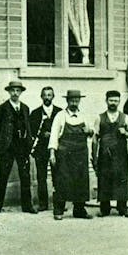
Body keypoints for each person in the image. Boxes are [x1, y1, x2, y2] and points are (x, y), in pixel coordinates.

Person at [48, 90, 96, 220]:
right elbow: (53, 135)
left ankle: (79, 209)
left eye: (76, 100)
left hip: (81, 153)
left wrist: (89, 131)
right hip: (64, 154)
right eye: (72, 100)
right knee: (62, 181)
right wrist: (52, 152)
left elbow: (92, 133)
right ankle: (58, 210)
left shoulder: (84, 115)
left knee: (81, 181)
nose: (74, 103)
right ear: (67, 101)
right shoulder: (60, 116)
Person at [0, 80, 35, 214]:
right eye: (13, 91)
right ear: (9, 92)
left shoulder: (25, 108)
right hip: (8, 148)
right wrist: (4, 142)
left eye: (17, 91)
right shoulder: (2, 108)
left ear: (21, 92)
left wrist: (27, 143)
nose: (15, 93)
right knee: (3, 176)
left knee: (25, 177)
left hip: (22, 147)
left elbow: (28, 127)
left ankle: (27, 206)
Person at [91, 91, 128, 217]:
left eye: (116, 101)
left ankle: (122, 208)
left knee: (121, 179)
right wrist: (94, 157)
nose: (113, 103)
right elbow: (95, 138)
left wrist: (126, 133)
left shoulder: (125, 117)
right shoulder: (99, 117)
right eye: (111, 100)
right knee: (104, 179)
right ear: (106, 101)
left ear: (119, 101)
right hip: (104, 154)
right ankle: (104, 209)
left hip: (120, 154)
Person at [29, 86, 62, 212]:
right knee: (41, 176)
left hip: (56, 149)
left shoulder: (59, 112)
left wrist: (54, 134)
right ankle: (43, 203)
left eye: (49, 95)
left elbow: (63, 130)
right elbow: (32, 131)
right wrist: (42, 135)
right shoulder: (35, 113)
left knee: (57, 176)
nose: (47, 97)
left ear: (53, 97)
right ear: (41, 97)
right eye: (45, 95)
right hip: (41, 149)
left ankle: (59, 203)